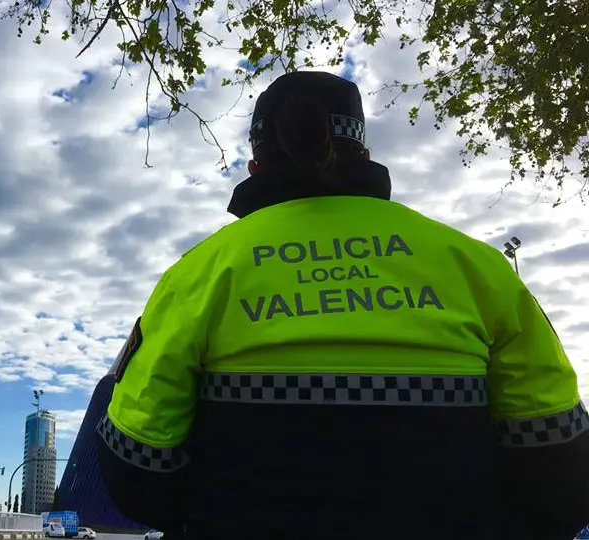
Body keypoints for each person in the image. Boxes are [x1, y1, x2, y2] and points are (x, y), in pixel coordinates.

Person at [95, 71, 589, 540]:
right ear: (366, 153)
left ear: (255, 166)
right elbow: (559, 464)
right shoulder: (479, 268)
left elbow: (138, 468)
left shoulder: (199, 273)